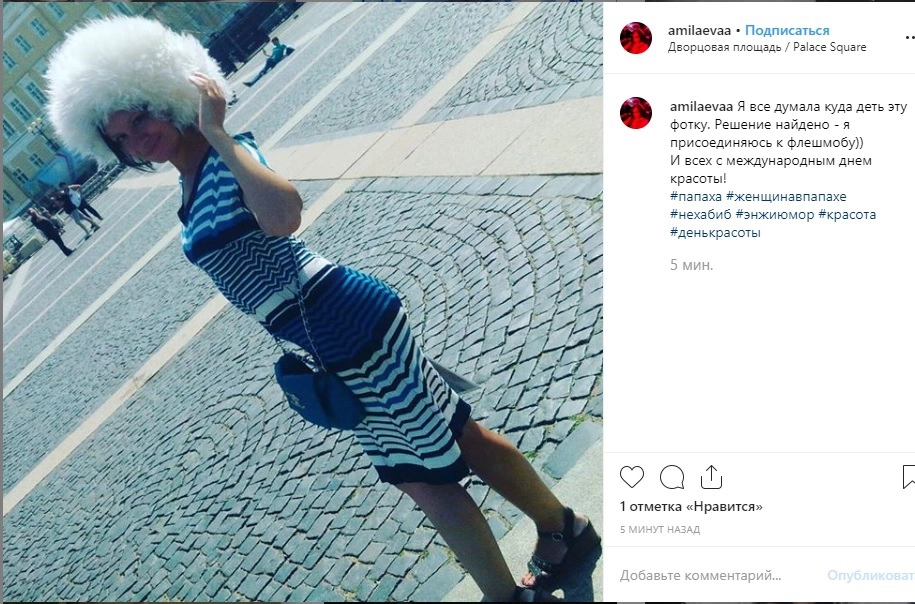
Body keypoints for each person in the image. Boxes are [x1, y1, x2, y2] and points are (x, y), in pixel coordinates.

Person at [46, 16, 598, 602]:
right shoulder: (189, 181)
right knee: (459, 434)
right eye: (121, 137)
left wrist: (220, 133)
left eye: (140, 118)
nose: (137, 140)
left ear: (166, 99)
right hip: (333, 330)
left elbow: (284, 216)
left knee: (422, 478)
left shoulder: (224, 156)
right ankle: (564, 529)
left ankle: (507, 593)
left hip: (345, 324)